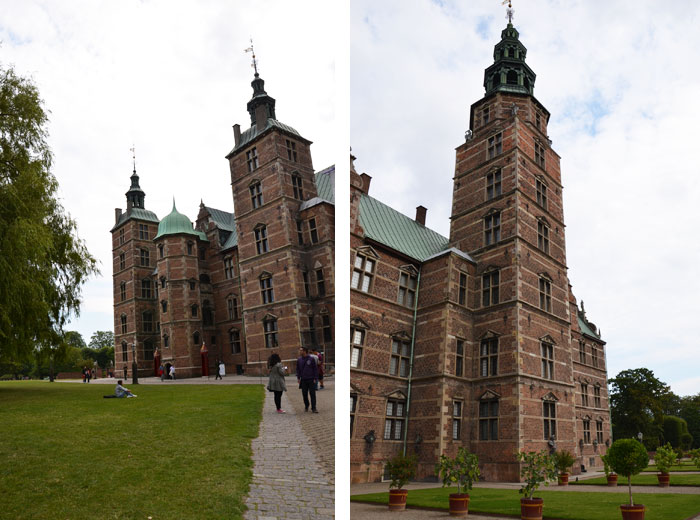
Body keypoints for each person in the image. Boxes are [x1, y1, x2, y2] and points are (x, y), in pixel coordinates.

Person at [296, 347, 318, 413]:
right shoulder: (299, 360)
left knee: (312, 394)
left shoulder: (311, 359)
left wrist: (315, 378)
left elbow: (315, 369)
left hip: (311, 379)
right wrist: (298, 377)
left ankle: (314, 408)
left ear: (305, 351)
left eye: (301, 350)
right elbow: (298, 369)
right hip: (303, 380)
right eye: (299, 350)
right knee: (304, 394)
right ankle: (306, 405)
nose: (300, 352)